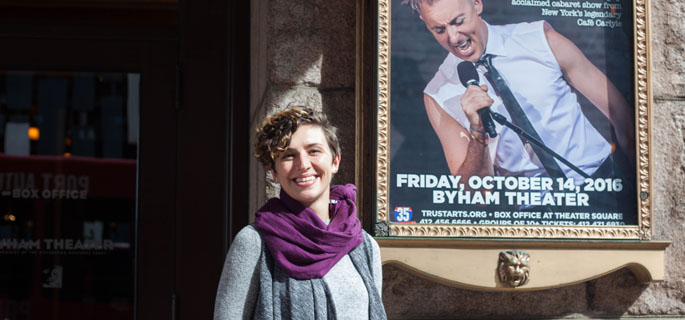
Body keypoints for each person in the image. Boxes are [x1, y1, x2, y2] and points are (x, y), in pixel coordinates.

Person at [408, 0, 635, 187]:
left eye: (459, 22)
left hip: (602, 180)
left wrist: (639, 192)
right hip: (534, 208)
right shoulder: (438, 94)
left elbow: (620, 114)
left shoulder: (539, 40)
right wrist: (477, 128)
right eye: (439, 30)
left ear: (476, 4)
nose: (454, 37)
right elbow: (477, 193)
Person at [213, 107, 387, 320]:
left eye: (314, 151)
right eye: (288, 155)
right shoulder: (254, 243)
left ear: (335, 161)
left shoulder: (364, 246)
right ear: (274, 173)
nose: (303, 165)